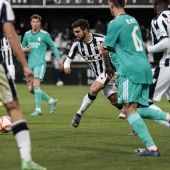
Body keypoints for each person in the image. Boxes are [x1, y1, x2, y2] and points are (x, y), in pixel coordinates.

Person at [101, 0, 170, 157]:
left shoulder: (114, 23)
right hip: (145, 68)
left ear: (111, 4)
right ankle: (168, 117)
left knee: (128, 110)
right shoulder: (133, 20)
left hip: (129, 71)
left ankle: (152, 148)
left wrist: (107, 67)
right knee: (138, 109)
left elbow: (105, 51)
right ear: (125, 2)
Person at [0, 1, 46, 169]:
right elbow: (11, 36)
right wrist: (25, 66)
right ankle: (26, 161)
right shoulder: (3, 5)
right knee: (13, 108)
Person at [119, 0, 170, 136]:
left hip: (164, 65)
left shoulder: (158, 19)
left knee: (143, 103)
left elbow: (166, 42)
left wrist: (147, 49)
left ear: (155, 3)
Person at [64, 19, 123, 128]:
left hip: (110, 71)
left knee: (93, 89)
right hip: (99, 76)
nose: (75, 34)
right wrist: (66, 66)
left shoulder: (101, 39)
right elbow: (68, 60)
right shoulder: (77, 45)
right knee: (115, 101)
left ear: (85, 30)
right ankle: (134, 118)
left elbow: (118, 48)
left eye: (78, 32)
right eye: (74, 32)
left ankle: (78, 115)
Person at [22, 14, 64, 116]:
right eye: (33, 22)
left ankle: (38, 109)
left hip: (40, 64)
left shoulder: (45, 35)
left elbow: (53, 47)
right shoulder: (27, 34)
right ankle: (51, 101)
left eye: (37, 22)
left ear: (40, 23)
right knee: (31, 89)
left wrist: (59, 60)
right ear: (30, 23)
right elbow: (22, 48)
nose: (35, 24)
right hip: (30, 65)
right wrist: (24, 49)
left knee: (36, 86)